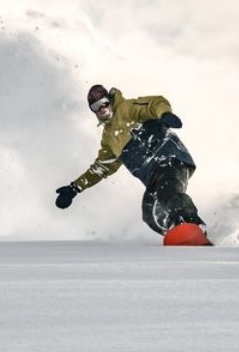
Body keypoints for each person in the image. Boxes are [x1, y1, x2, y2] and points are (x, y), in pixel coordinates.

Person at [55, 84, 207, 239]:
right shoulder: (109, 139)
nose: (101, 109)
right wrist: (75, 188)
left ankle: (192, 223)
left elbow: (155, 103)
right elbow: (101, 167)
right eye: (96, 107)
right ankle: (178, 233)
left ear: (110, 100)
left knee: (167, 191)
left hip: (170, 159)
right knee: (150, 212)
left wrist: (165, 114)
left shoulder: (127, 108)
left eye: (104, 103)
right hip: (153, 176)